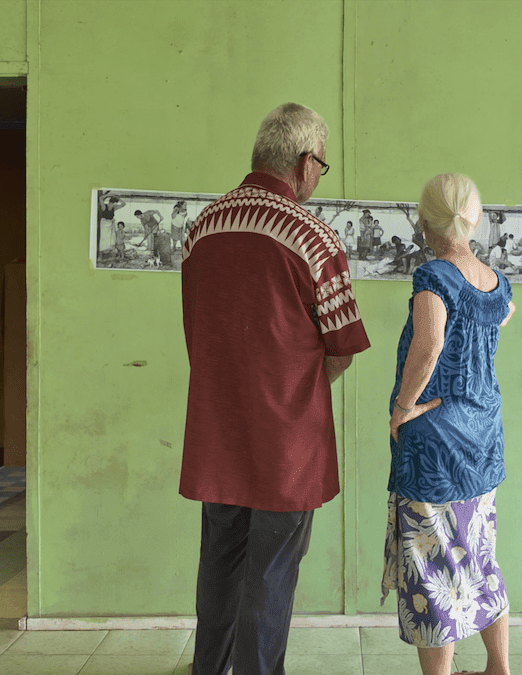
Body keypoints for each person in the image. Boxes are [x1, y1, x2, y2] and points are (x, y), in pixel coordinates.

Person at [180, 103, 370, 675]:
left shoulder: (201, 228)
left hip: (218, 429)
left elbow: (199, 331)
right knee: (271, 571)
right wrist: (295, 389)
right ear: (307, 163)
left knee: (219, 562)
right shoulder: (312, 237)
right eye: (323, 166)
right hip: (288, 443)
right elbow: (342, 347)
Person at [384, 173, 515, 675]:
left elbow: (430, 344)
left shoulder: (434, 277)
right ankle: (497, 668)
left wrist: (403, 404)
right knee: (479, 558)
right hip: (483, 441)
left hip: (436, 447)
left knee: (431, 566)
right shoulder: (494, 282)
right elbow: (503, 312)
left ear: (424, 222)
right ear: (474, 218)